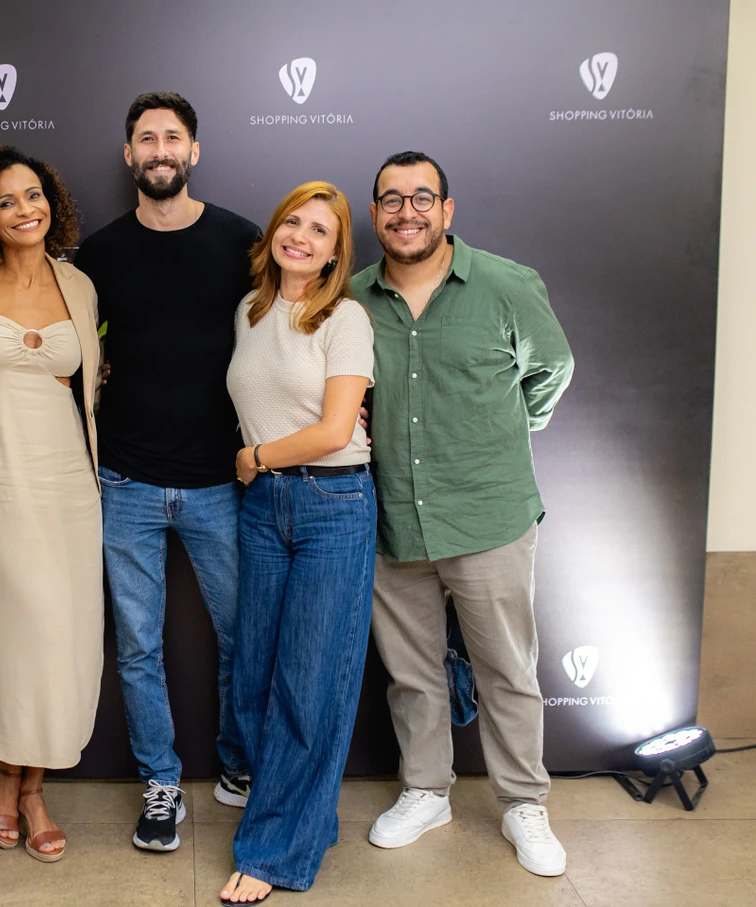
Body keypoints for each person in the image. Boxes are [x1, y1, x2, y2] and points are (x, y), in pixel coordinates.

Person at [350, 151, 574, 877]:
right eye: (390, 199)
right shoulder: (352, 299)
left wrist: (502, 432)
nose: (405, 211)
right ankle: (426, 789)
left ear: (448, 210)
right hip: (393, 521)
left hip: (489, 513)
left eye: (422, 198)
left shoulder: (508, 286)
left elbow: (552, 370)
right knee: (412, 673)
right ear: (375, 212)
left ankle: (522, 801)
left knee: (506, 667)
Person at [74, 92, 260, 851]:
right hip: (127, 481)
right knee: (139, 646)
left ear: (193, 150)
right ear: (129, 155)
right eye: (146, 138)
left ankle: (240, 765)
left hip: (222, 480)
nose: (159, 150)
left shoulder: (242, 240)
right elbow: (78, 349)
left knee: (244, 634)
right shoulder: (100, 255)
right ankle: (160, 782)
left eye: (172, 137)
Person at [0, 145, 102, 863]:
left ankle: (31, 782)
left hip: (70, 481)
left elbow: (89, 384)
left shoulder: (80, 286)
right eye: (6, 200)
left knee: (63, 631)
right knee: (19, 627)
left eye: (32, 194)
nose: (24, 209)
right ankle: (4, 767)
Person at [219, 181, 375, 902]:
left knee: (308, 684)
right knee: (253, 674)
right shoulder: (249, 312)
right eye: (293, 222)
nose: (302, 237)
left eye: (320, 230)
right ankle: (304, 814)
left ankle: (273, 853)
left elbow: (336, 430)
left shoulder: (344, 318)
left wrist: (254, 458)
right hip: (263, 511)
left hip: (330, 502)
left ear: (337, 252)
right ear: (275, 230)